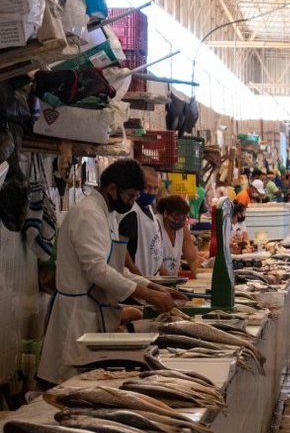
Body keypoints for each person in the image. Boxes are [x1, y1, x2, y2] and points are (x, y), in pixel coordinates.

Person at [38, 159, 184, 385]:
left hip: (95, 312)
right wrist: (149, 296)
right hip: (76, 317)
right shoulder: (87, 214)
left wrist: (156, 287)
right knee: (68, 386)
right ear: (112, 189)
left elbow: (118, 270)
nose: (132, 202)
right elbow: (98, 271)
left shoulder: (107, 215)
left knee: (88, 384)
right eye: (130, 197)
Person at [119, 166, 164, 276]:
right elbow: (121, 249)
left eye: (155, 188)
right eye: (147, 187)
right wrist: (138, 277)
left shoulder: (149, 208)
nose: (151, 192)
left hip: (151, 279)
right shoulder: (132, 212)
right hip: (135, 282)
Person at [157, 196, 203, 277]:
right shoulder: (156, 226)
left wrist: (199, 278)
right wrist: (171, 281)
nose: (179, 222)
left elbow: (193, 260)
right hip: (155, 281)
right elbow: (154, 263)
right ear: (165, 213)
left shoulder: (183, 229)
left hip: (172, 280)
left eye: (183, 219)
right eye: (176, 219)